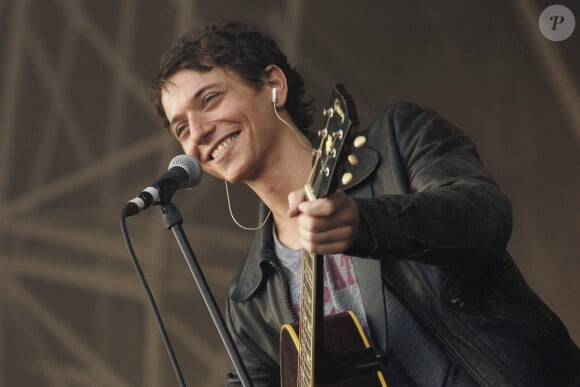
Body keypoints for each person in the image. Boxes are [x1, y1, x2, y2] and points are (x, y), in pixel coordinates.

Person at [150, 20, 580, 386]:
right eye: (181, 128)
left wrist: (365, 223)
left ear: (273, 85)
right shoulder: (251, 298)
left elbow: (483, 214)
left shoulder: (397, 141)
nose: (198, 132)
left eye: (209, 100)